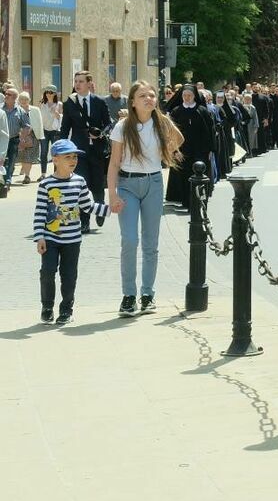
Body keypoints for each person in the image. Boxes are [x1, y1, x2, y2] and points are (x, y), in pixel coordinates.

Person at [108, 82, 184, 318]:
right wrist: (112, 194)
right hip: (128, 184)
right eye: (142, 96)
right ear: (132, 101)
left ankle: (147, 294)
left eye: (152, 95)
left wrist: (166, 150)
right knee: (130, 240)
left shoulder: (161, 122)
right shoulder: (123, 126)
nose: (149, 99)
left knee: (151, 244)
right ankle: (129, 295)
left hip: (153, 183)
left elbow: (179, 139)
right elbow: (113, 162)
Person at [34, 139, 111, 325]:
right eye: (67, 157)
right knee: (47, 272)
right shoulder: (46, 184)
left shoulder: (79, 181)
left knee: (69, 275)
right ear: (55, 159)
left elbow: (87, 206)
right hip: (50, 239)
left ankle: (66, 309)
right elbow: (40, 213)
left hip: (73, 240)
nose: (73, 160)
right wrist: (39, 237)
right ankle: (47, 307)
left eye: (75, 157)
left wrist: (109, 210)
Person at [61, 71, 111, 233]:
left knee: (97, 186)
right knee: (81, 188)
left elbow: (109, 124)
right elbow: (64, 128)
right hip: (79, 152)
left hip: (97, 151)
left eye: (81, 81)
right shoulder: (70, 103)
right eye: (76, 81)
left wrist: (100, 133)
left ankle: (100, 210)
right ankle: (84, 222)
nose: (77, 84)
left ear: (89, 83)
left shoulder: (99, 101)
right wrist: (61, 150)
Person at [165, 86, 215, 208]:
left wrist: (211, 149)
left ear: (194, 96)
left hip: (200, 150)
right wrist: (174, 150)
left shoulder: (202, 111)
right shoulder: (176, 111)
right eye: (184, 95)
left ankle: (199, 201)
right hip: (182, 150)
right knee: (183, 175)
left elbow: (210, 131)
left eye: (189, 95)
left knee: (199, 175)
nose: (187, 98)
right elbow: (170, 134)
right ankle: (186, 201)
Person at [3, 86, 31, 188]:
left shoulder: (20, 111)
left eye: (8, 94)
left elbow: (27, 126)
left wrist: (22, 139)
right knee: (2, 160)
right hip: (1, 140)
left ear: (14, 97)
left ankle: (7, 180)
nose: (5, 96)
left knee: (11, 161)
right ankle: (4, 179)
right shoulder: (0, 109)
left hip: (14, 139)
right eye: (5, 94)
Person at [39, 87, 62, 176]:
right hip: (44, 130)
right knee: (43, 153)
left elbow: (61, 118)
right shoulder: (42, 104)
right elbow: (39, 117)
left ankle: (56, 173)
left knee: (55, 153)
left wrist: (56, 113)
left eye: (51, 92)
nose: (49, 94)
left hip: (55, 132)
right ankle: (43, 174)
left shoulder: (59, 104)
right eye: (47, 92)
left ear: (55, 94)